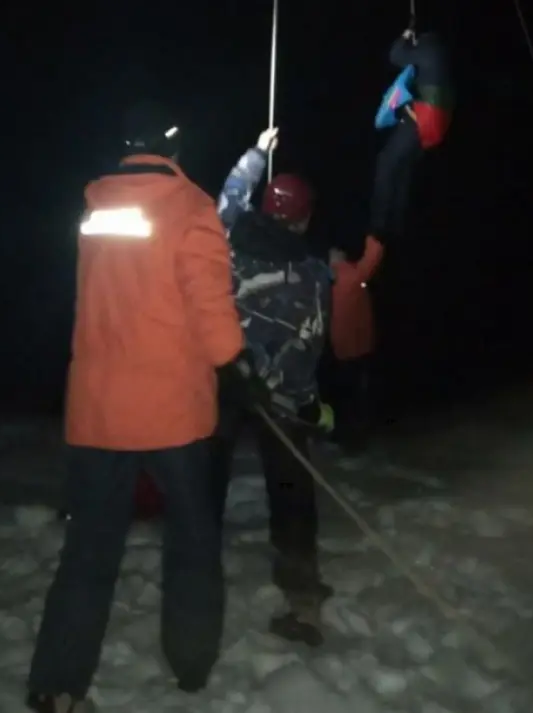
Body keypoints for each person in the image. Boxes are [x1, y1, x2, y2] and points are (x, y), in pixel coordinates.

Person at [27, 101, 266, 713]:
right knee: (192, 544)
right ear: (175, 148)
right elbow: (210, 309)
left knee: (87, 553)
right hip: (171, 412)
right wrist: (236, 365)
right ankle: (191, 663)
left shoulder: (96, 206)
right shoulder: (190, 208)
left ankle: (57, 684)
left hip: (99, 410)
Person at [213, 126, 335, 647]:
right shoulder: (312, 275)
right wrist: (305, 405)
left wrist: (256, 155)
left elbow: (229, 198)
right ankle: (302, 601)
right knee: (292, 495)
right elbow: (309, 346)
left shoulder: (226, 243)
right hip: (279, 396)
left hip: (225, 380)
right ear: (304, 218)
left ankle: (196, 577)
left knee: (205, 480)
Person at [369, 27, 454, 242]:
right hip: (437, 125)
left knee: (386, 162)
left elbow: (395, 56)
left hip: (424, 119)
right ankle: (397, 230)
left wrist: (405, 36)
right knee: (404, 167)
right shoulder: (442, 51)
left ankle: (378, 229)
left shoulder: (428, 48)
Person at [326, 235, 384, 450]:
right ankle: (351, 437)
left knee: (345, 396)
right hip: (354, 349)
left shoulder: (335, 276)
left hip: (341, 349)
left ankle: (344, 436)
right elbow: (373, 256)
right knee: (354, 396)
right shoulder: (349, 275)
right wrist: (374, 236)